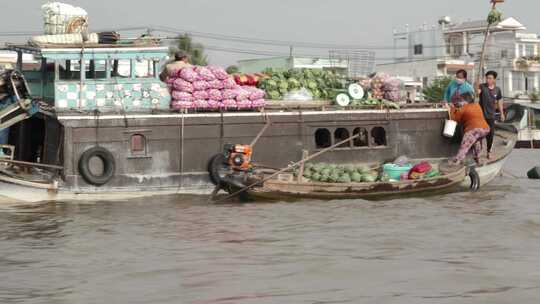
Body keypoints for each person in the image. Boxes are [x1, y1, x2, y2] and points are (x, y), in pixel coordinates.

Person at [449, 92, 491, 165]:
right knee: (476, 141)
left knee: (465, 144)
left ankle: (457, 160)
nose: (460, 102)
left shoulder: (464, 108)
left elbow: (454, 119)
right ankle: (478, 158)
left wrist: (452, 108)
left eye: (461, 101)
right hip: (485, 129)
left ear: (465, 101)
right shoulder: (477, 105)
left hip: (474, 129)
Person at [478, 71, 505, 159]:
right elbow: (476, 92)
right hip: (481, 115)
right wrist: (476, 86)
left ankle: (489, 151)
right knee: (480, 134)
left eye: (490, 78)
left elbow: (500, 102)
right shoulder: (482, 86)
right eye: (487, 78)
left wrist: (501, 113)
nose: (488, 80)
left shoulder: (497, 89)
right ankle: (478, 151)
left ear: (494, 79)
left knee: (490, 134)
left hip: (491, 116)